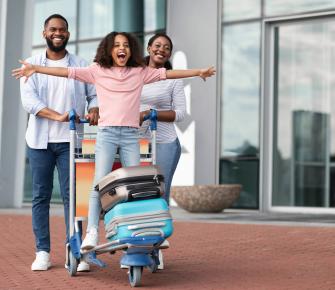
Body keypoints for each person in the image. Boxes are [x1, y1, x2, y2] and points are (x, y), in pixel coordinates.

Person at [12, 31, 216, 253]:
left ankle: (139, 228)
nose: (122, 48)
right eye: (117, 45)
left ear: (132, 50)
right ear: (109, 50)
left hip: (131, 136)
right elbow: (66, 72)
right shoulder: (97, 71)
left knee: (136, 185)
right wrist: (36, 68)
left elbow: (168, 75)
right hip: (107, 134)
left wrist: (198, 72)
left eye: (126, 45)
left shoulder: (140, 72)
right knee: (99, 183)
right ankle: (92, 230)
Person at [18, 14, 99, 272]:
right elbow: (29, 102)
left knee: (73, 198)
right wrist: (57, 116)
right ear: (44, 33)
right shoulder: (31, 64)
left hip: (71, 141)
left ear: (68, 34)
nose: (58, 33)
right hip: (40, 141)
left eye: (62, 29)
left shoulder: (80, 64)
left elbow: (94, 93)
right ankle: (42, 251)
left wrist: (95, 108)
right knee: (40, 196)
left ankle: (73, 250)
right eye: (53, 29)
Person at [140, 33, 185, 206]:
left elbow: (180, 114)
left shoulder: (172, 79)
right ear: (149, 48)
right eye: (158, 45)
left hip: (165, 143)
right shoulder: (133, 74)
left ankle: (158, 233)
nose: (162, 50)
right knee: (136, 193)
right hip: (135, 142)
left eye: (167, 48)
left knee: (159, 195)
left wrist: (151, 113)